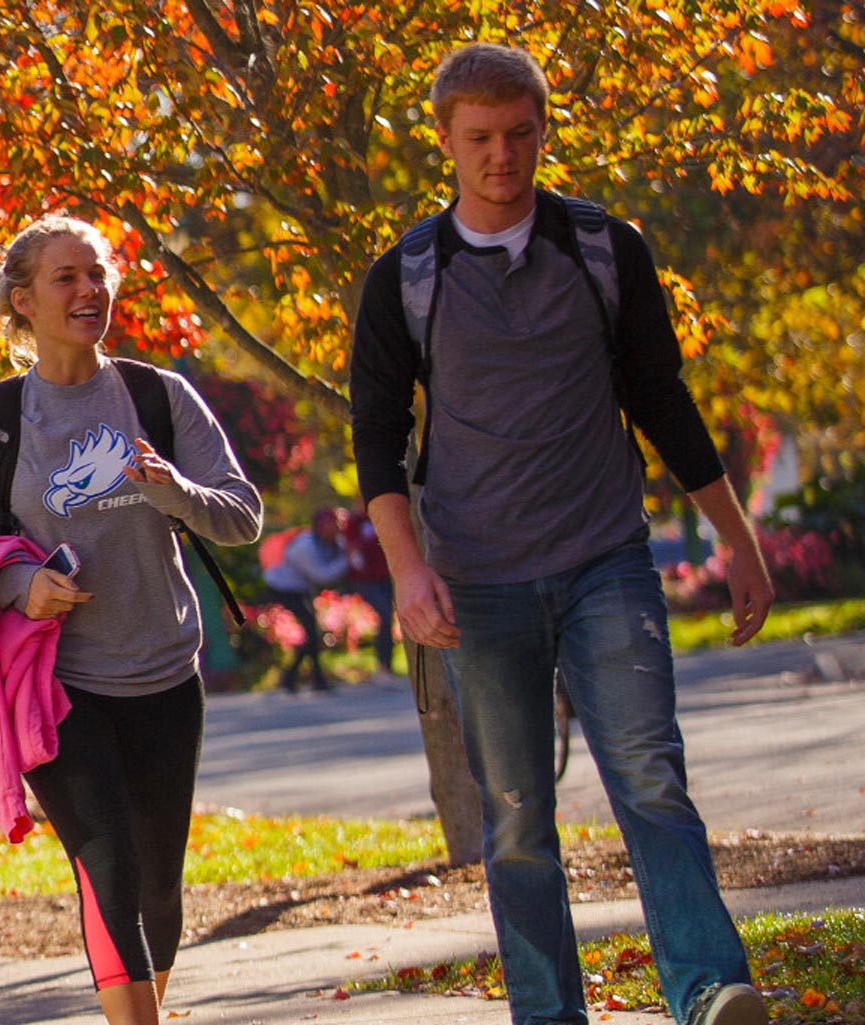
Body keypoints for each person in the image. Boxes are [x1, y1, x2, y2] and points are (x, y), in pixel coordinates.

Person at [348, 43, 774, 1025]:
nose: (502, 155)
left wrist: (737, 539)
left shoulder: (602, 248)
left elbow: (661, 399)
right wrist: (408, 573)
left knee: (650, 777)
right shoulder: (405, 276)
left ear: (545, 129)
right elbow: (376, 439)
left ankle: (710, 989)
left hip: (604, 557)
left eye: (520, 134)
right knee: (516, 818)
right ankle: (550, 1014)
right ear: (447, 142)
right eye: (481, 139)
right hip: (477, 581)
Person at [0, 213, 262, 1025]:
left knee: (159, 888)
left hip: (165, 674)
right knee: (105, 859)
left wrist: (173, 488)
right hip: (57, 684)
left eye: (98, 274)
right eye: (67, 277)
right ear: (22, 301)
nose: (89, 291)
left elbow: (242, 515)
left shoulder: (158, 396)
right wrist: (17, 583)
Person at [260, 509, 352, 694]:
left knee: (312, 633)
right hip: (283, 589)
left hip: (299, 589)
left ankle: (301, 679)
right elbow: (322, 576)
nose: (338, 528)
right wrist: (348, 559)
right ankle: (302, 678)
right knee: (311, 632)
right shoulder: (305, 547)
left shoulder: (331, 543)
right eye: (333, 524)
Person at [342, 509, 401, 684]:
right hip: (365, 579)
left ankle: (387, 666)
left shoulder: (381, 515)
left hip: (385, 576)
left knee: (389, 617)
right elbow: (350, 548)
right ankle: (382, 665)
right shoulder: (354, 522)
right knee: (383, 613)